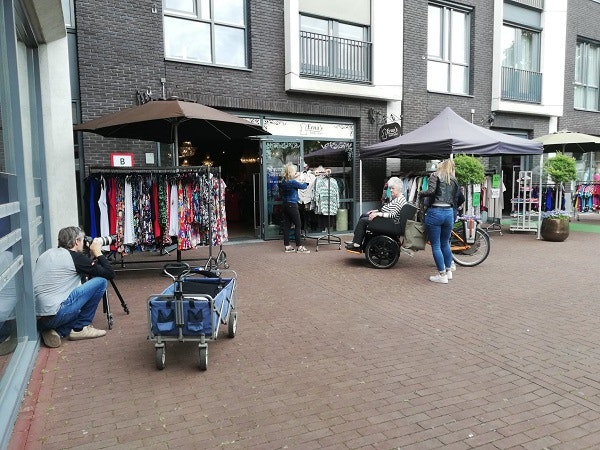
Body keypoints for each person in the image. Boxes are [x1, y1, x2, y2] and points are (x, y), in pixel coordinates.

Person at [33, 226, 115, 348]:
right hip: (55, 316)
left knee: (74, 303)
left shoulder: (46, 254)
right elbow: (109, 274)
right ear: (77, 242)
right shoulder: (76, 258)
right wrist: (98, 252)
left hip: (36, 320)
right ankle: (81, 328)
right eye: (82, 240)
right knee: (101, 282)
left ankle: (54, 331)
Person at [418, 159, 464, 284]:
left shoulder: (434, 176)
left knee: (436, 245)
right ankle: (448, 272)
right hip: (449, 213)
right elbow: (458, 198)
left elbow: (431, 191)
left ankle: (441, 274)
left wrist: (420, 193)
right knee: (445, 243)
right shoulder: (454, 180)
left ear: (440, 167)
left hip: (435, 212)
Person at [345, 176, 407, 248]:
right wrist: (376, 211)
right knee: (363, 215)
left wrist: (377, 214)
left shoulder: (399, 201)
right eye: (390, 188)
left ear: (399, 189)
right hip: (390, 222)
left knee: (363, 221)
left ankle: (357, 243)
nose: (390, 190)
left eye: (393, 188)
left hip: (391, 223)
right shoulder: (398, 198)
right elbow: (388, 209)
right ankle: (356, 240)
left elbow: (392, 215)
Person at [279, 163, 311, 253]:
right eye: (294, 171)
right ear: (291, 172)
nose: (296, 172)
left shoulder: (283, 182)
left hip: (285, 205)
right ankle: (299, 247)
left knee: (287, 226)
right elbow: (304, 186)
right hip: (292, 205)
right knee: (298, 225)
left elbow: (289, 181)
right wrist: (306, 179)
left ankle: (287, 246)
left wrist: (295, 176)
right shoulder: (292, 182)